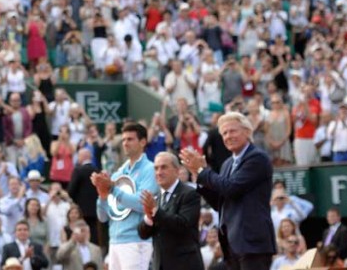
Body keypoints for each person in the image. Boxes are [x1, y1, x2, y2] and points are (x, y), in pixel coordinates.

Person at [180, 112, 276, 270]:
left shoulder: (257, 158)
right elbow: (221, 203)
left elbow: (231, 188)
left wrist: (204, 171)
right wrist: (199, 176)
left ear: (247, 132)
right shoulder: (227, 164)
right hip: (232, 245)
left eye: (232, 131)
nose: (228, 136)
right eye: (224, 133)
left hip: (252, 244)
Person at [91, 123, 157, 270]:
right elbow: (103, 217)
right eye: (124, 139)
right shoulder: (118, 174)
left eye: (130, 139)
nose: (125, 143)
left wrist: (112, 188)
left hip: (136, 240)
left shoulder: (150, 170)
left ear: (143, 142)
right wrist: (101, 196)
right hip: (114, 241)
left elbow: (142, 204)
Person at [137, 152, 202, 270]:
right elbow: (143, 234)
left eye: (164, 167)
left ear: (177, 170)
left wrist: (156, 212)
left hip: (184, 265)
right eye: (156, 168)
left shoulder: (189, 194)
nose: (159, 172)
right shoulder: (155, 197)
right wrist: (148, 217)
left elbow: (182, 224)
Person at [67, 148, 100, 244]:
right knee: (93, 234)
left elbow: (71, 190)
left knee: (81, 231)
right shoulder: (97, 170)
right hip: (95, 209)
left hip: (81, 210)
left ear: (82, 157)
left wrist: (76, 201)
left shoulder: (78, 170)